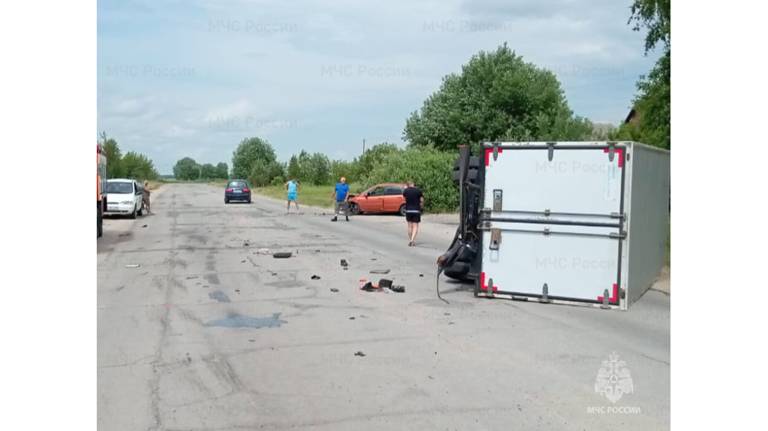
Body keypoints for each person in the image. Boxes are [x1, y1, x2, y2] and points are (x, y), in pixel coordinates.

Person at [402, 180, 424, 246]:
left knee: (409, 226)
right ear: (413, 184)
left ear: (408, 185)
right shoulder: (418, 191)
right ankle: (412, 240)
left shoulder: (406, 191)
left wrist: (406, 188)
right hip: (416, 210)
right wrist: (421, 207)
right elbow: (422, 200)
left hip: (408, 210)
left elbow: (404, 196)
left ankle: (411, 240)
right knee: (415, 226)